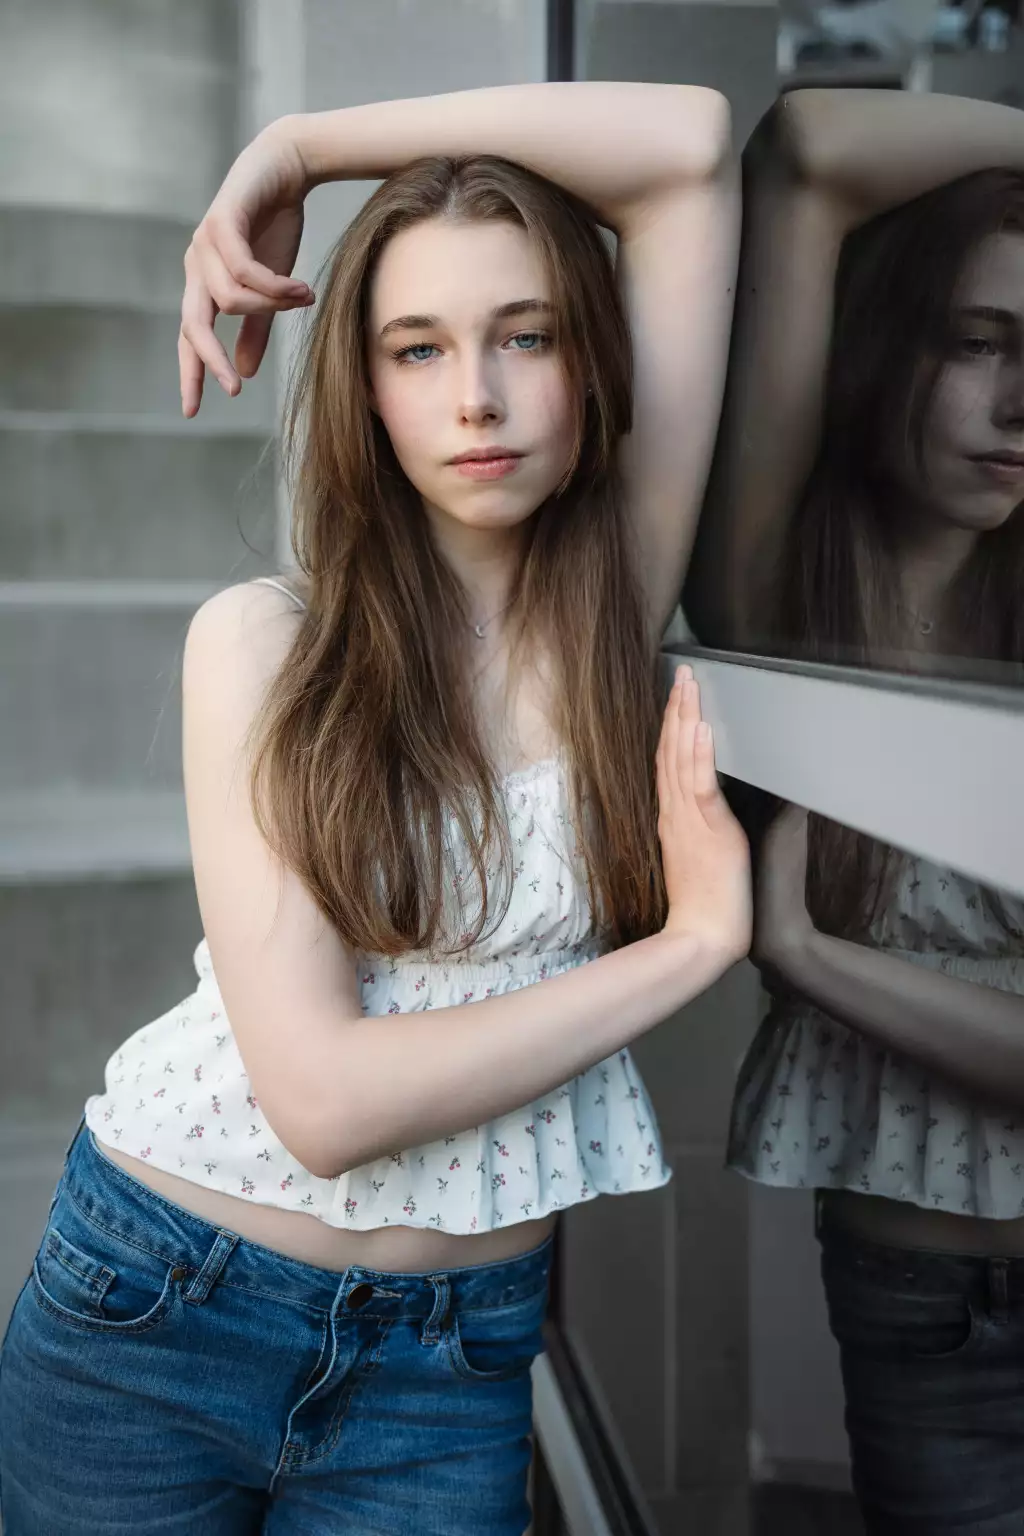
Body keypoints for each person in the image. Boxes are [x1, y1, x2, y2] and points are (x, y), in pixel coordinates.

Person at [0, 84, 750, 1536]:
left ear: (589, 366)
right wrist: (690, 949)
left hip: (453, 1364)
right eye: (419, 348)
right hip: (158, 1316)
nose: (476, 395)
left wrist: (299, 150)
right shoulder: (262, 643)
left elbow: (695, 146)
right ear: (367, 386)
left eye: (524, 335)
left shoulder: (607, 611)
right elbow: (327, 1101)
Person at [687, 88, 1024, 1531]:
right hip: (922, 1311)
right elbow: (810, 150)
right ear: (893, 345)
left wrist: (815, 959)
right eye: (979, 344)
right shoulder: (788, 596)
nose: (1022, 408)